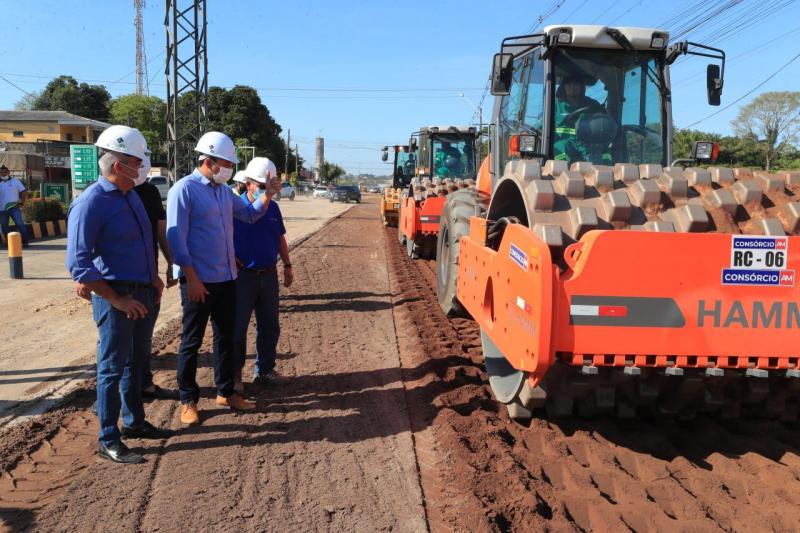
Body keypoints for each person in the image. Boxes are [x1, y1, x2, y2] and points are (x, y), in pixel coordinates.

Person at [66, 125, 173, 464]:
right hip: (117, 296)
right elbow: (79, 264)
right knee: (111, 368)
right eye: (136, 161)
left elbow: (144, 244)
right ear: (117, 165)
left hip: (142, 291)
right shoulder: (91, 203)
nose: (141, 166)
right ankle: (108, 438)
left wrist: (154, 277)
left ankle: (135, 423)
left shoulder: (132, 197)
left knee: (135, 362)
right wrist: (116, 299)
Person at [167, 131, 276, 426]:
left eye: (231, 163)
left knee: (226, 338)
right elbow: (176, 240)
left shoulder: (224, 192)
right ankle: (188, 400)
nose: (229, 167)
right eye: (225, 162)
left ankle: (226, 392)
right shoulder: (184, 190)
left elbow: (250, 215)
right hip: (198, 281)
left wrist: (268, 195)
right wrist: (191, 278)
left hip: (227, 278)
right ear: (208, 159)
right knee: (191, 342)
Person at [232, 158, 293, 392]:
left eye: (271, 186)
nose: (268, 191)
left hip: (269, 276)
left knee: (270, 326)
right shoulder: (236, 208)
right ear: (248, 184)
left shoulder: (274, 208)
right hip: (242, 276)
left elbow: (279, 238)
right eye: (261, 185)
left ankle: (264, 370)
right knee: (238, 329)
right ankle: (236, 376)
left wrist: (287, 265)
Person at [553, 74, 609, 164]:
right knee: (560, 147)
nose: (572, 87)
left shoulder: (594, 106)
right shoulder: (554, 105)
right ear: (563, 86)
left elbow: (605, 125)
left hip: (589, 145)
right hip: (565, 145)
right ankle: (561, 173)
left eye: (576, 84)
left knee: (606, 151)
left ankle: (607, 173)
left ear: (582, 86)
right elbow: (541, 128)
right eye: (569, 84)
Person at [0, 165, 30, 248]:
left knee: (20, 224)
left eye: (5, 172)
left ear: (8, 172)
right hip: (2, 209)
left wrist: (22, 203)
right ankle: (8, 243)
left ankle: (25, 242)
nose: (3, 173)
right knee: (4, 226)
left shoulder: (15, 181)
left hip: (14, 207)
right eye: (1, 172)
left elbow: (23, 192)